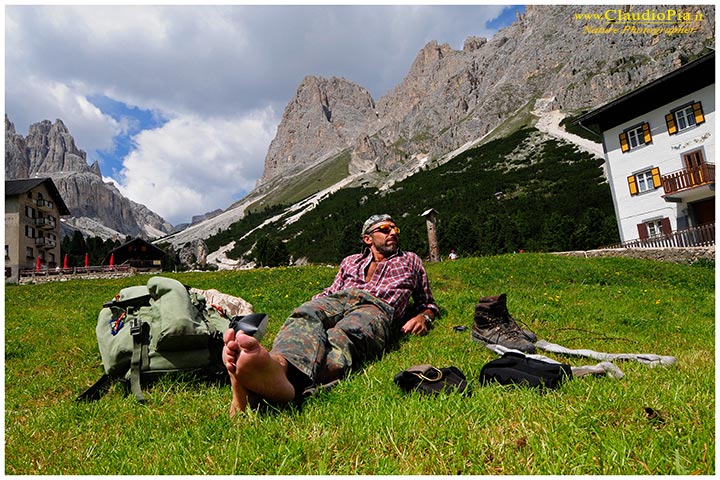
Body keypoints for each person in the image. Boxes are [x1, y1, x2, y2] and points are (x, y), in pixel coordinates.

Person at [222, 214, 439, 416]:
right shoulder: (350, 262)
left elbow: (428, 302)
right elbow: (330, 292)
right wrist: (314, 304)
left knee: (345, 334)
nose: (392, 232)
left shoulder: (410, 260)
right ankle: (278, 364)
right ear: (368, 239)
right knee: (305, 315)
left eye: (395, 228)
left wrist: (424, 317)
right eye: (384, 229)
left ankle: (273, 385)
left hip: (377, 306)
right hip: (340, 298)